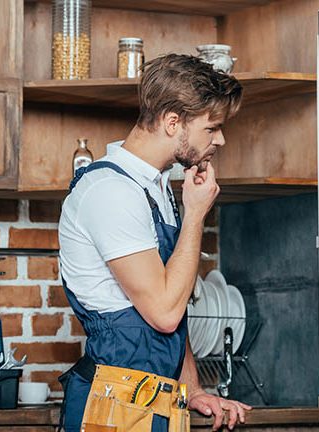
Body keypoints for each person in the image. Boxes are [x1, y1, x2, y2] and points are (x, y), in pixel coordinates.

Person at [58, 54, 250, 432]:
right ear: (172, 122)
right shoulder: (110, 191)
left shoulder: (155, 188)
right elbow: (163, 312)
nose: (221, 140)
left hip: (158, 400)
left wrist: (192, 389)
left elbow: (172, 315)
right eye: (211, 128)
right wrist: (195, 215)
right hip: (112, 404)